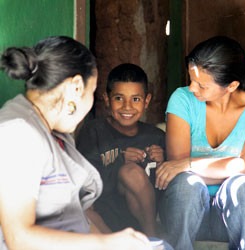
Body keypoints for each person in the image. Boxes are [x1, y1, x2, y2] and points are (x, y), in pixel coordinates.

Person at [0, 36, 153, 250]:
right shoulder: (19, 133)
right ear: (76, 87)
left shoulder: (53, 132)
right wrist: (106, 243)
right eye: (91, 93)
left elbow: (79, 215)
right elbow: (19, 238)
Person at [156, 36, 245, 250]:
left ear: (232, 86)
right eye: (190, 79)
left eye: (201, 85)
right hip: (185, 211)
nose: (192, 88)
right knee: (186, 187)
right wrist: (229, 166)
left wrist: (190, 163)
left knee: (242, 187)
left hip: (231, 215)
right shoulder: (182, 100)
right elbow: (175, 169)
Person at [76, 63, 166, 237]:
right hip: (103, 218)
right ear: (107, 99)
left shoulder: (155, 136)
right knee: (81, 209)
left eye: (136, 99)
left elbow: (168, 187)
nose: (127, 107)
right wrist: (119, 159)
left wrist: (162, 162)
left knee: (131, 172)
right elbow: (85, 183)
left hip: (141, 220)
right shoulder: (93, 131)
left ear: (146, 101)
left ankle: (152, 239)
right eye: (119, 98)